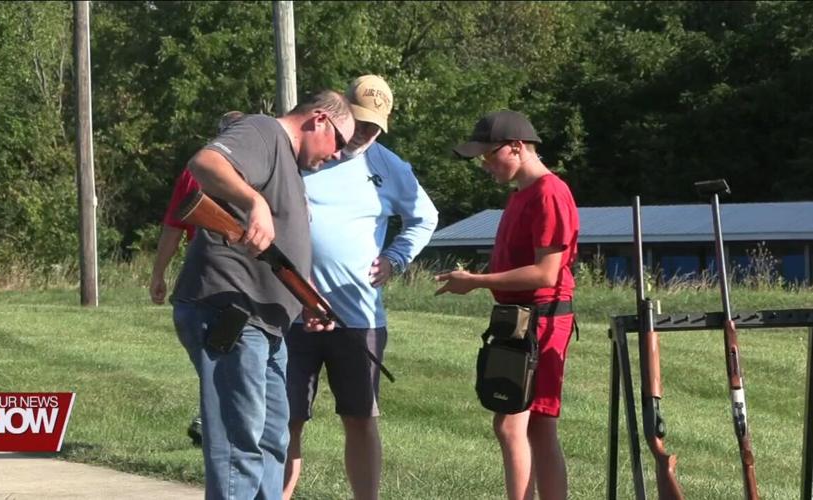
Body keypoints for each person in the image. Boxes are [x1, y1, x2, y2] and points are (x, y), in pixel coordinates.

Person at [170, 91, 354, 500]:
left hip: (263, 320)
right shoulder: (264, 130)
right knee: (239, 442)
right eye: (340, 142)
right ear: (319, 119)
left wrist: (304, 298)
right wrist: (253, 201)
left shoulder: (288, 161)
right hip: (230, 311)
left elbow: (276, 251)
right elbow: (205, 163)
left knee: (272, 441)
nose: (339, 155)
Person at [283, 75, 439, 500]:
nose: (364, 134)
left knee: (360, 416)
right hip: (293, 313)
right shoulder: (304, 153)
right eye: (358, 123)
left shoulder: (389, 167)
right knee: (288, 417)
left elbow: (424, 217)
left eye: (374, 127)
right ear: (338, 112)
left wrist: (395, 258)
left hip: (359, 317)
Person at [434, 110, 579, 500]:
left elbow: (546, 273)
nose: (484, 165)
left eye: (487, 155)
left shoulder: (550, 193)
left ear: (516, 147)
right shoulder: (521, 195)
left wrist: (477, 282)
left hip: (543, 319)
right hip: (517, 321)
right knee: (533, 426)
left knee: (515, 425)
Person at [149, 110, 245, 447]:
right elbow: (176, 224)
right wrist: (159, 273)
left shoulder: (197, 171)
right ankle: (213, 422)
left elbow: (173, 228)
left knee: (219, 357)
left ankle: (213, 421)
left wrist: (159, 273)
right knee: (229, 359)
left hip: (203, 279)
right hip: (233, 279)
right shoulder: (255, 171)